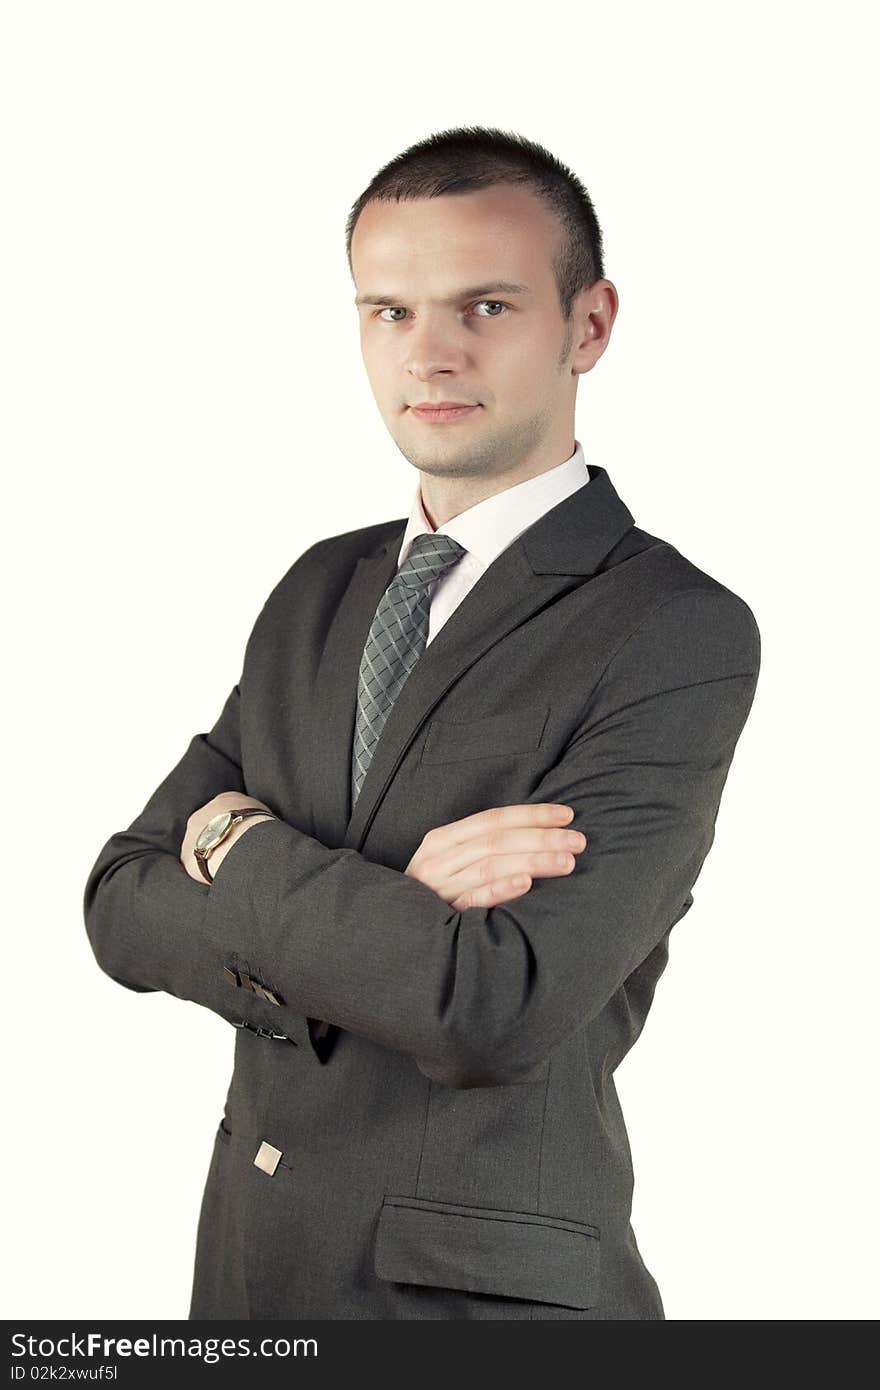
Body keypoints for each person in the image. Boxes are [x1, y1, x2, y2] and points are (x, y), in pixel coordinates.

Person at [83, 126, 761, 1321]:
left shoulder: (673, 627)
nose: (430, 352)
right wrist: (399, 902)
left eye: (484, 306)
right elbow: (122, 900)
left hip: (473, 1305)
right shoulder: (317, 589)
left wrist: (240, 849)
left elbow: (492, 1007)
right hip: (246, 1275)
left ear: (588, 326)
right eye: (388, 311)